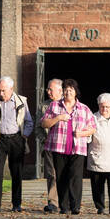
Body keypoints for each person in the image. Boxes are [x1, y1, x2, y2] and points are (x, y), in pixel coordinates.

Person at [40, 78, 95, 215]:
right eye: (65, 90)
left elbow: (93, 128)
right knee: (61, 177)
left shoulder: (84, 109)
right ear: (62, 92)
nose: (68, 92)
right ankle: (64, 206)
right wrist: (58, 118)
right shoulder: (54, 106)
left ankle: (75, 206)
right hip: (58, 147)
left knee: (75, 177)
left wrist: (82, 133)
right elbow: (44, 123)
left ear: (75, 92)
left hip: (77, 148)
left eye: (71, 90)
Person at [0, 75, 34, 213]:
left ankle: (16, 204)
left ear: (11, 89)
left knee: (16, 173)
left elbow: (29, 121)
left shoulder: (21, 101)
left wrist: (24, 135)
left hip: (16, 140)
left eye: (3, 90)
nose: (1, 93)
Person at [36, 78, 63, 212]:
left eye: (50, 89)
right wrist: (44, 140)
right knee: (51, 174)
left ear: (60, 90)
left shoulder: (68, 104)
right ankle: (53, 202)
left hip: (65, 147)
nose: (48, 91)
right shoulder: (43, 106)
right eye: (47, 89)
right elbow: (38, 127)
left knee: (65, 174)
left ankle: (66, 201)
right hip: (50, 146)